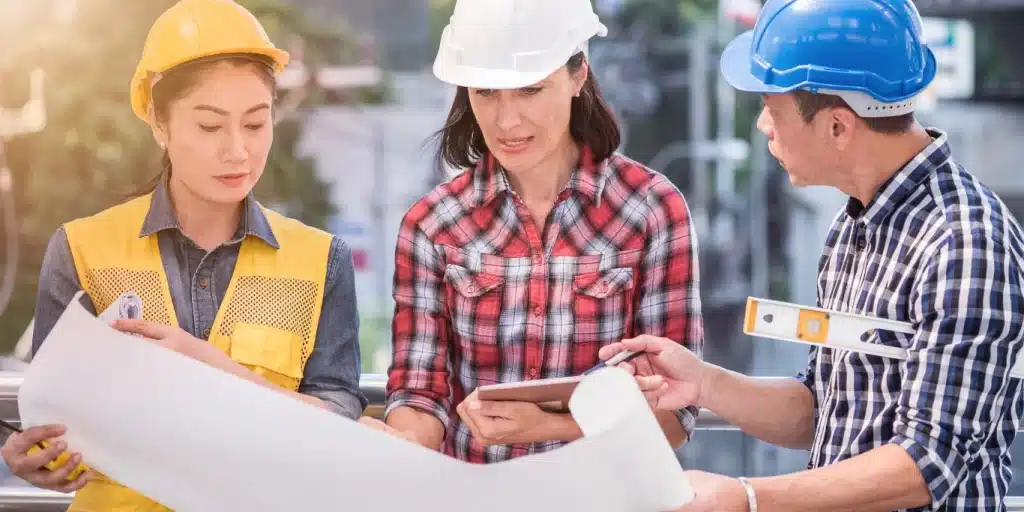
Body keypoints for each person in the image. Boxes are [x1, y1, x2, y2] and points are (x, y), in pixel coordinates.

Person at [599, 0, 1024, 510]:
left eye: (773, 109)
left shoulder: (964, 243)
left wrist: (748, 498)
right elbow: (824, 408)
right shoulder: (853, 227)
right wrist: (703, 383)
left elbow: (927, 461)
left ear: (838, 126)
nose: (762, 125)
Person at [0, 0, 367, 509]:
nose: (237, 150)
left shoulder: (322, 260)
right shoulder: (82, 250)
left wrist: (210, 367)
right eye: (210, 127)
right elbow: (51, 420)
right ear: (158, 121)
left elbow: (341, 437)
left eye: (256, 125)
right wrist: (32, 455)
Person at [360, 0, 704, 463]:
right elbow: (421, 393)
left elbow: (673, 416)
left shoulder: (651, 211)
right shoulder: (432, 225)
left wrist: (552, 426)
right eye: (485, 93)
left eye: (530, 91)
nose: (507, 121)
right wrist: (400, 441)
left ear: (579, 74)